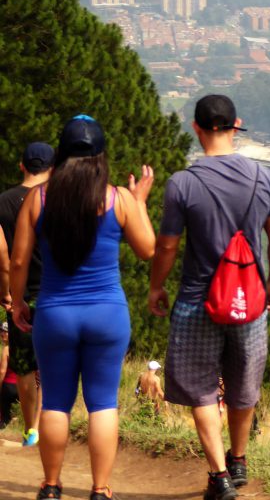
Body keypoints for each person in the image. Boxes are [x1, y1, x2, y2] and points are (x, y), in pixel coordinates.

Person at [149, 94, 270, 500]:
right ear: (236, 125)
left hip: (197, 301)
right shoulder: (265, 178)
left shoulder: (183, 183)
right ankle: (240, 457)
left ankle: (220, 475)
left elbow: (168, 246)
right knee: (244, 384)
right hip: (250, 303)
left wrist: (157, 286)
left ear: (196, 128)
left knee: (203, 390)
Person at [10, 115, 155, 500]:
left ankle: (52, 486)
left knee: (56, 401)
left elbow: (20, 260)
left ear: (60, 154)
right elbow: (148, 249)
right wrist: (138, 202)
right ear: (101, 156)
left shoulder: (37, 200)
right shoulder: (118, 199)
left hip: (55, 313)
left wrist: (18, 302)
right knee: (102, 403)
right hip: (107, 314)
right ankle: (100, 489)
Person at [0, 142, 54, 447]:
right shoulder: (58, 200)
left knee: (23, 365)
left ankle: (30, 429)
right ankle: (44, 422)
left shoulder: (4, 202)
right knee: (50, 362)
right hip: (57, 292)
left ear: (22, 165)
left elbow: (4, 255)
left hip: (22, 295)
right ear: (52, 168)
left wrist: (7, 293)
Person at [1, 322, 20, 429]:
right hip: (22, 387)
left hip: (8, 386)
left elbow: (2, 371)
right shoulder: (22, 347)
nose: (2, 334)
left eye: (4, 332)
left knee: (5, 418)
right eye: (1, 332)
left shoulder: (7, 349)